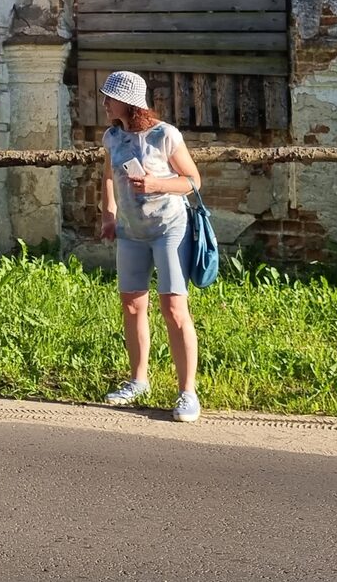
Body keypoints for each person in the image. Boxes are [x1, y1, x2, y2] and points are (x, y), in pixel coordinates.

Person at [97, 70, 204, 423]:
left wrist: (157, 182)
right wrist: (109, 217)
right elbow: (109, 179)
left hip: (168, 229)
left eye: (109, 97)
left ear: (127, 102)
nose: (104, 102)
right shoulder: (111, 137)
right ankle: (138, 381)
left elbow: (192, 180)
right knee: (132, 305)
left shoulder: (164, 135)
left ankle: (187, 392)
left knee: (173, 308)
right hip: (131, 231)